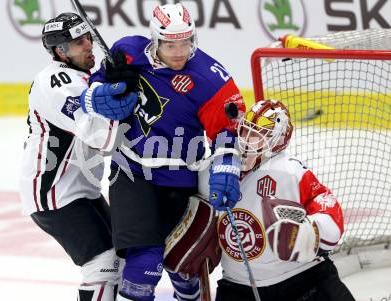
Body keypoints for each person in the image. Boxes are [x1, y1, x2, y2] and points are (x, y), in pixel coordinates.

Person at [82, 3, 246, 301]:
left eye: (185, 42)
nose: (179, 51)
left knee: (180, 263)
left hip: (182, 175)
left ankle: (188, 293)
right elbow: (96, 85)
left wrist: (226, 168)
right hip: (131, 169)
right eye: (170, 44)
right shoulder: (128, 53)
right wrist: (100, 96)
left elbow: (227, 130)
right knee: (144, 263)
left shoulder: (211, 79)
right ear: (155, 41)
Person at [19, 12, 138, 301]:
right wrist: (119, 93)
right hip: (54, 193)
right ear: (60, 51)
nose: (88, 46)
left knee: (120, 260)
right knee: (102, 265)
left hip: (80, 190)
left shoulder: (82, 75)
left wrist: (114, 78)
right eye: (78, 42)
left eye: (87, 38)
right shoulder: (53, 81)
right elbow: (101, 137)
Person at [199, 99, 355, 301]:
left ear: (278, 141)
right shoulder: (216, 169)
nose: (246, 139)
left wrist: (313, 233)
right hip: (239, 287)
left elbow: (329, 211)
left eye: (256, 134)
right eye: (246, 130)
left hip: (303, 279)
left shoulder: (290, 171)